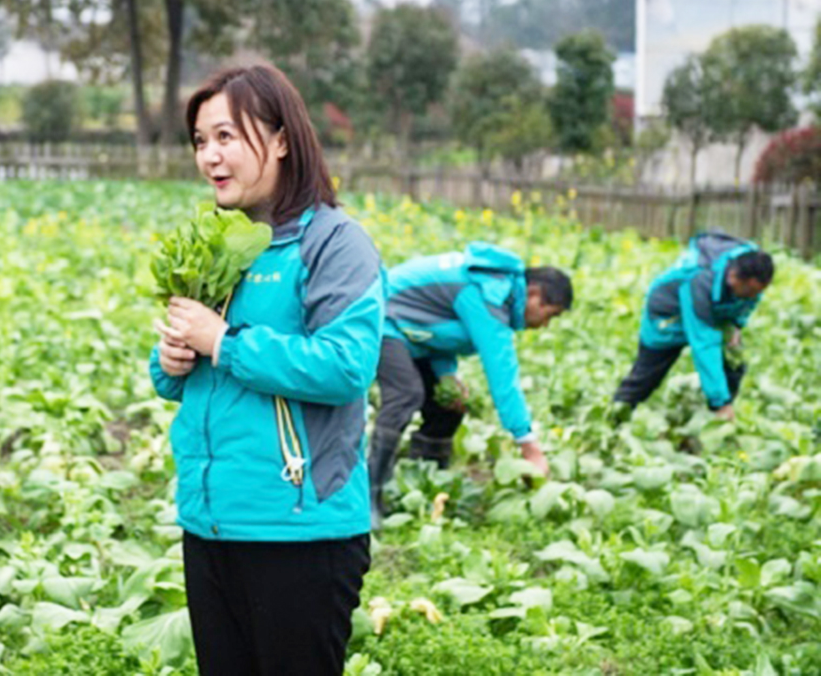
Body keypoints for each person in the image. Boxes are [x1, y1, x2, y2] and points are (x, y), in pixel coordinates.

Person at [149, 64, 385, 676]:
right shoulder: (219, 245)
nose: (210, 156)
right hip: (211, 522)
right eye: (201, 141)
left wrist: (224, 341)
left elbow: (346, 366)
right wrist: (172, 359)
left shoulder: (334, 244)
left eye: (227, 136)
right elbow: (188, 374)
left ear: (281, 139)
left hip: (299, 532)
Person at [368, 243, 573, 528]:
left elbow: (437, 324)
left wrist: (447, 374)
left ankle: (422, 485)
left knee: (449, 405)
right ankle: (369, 492)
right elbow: (503, 377)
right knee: (405, 394)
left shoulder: (495, 290)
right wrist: (529, 446)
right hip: (380, 321)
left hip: (410, 334)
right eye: (550, 314)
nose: (546, 325)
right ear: (535, 295)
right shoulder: (489, 296)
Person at [614, 230, 773, 420]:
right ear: (733, 278)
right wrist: (720, 402)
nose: (754, 296)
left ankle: (717, 425)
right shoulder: (700, 281)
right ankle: (614, 418)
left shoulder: (754, 266)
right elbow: (704, 345)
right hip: (667, 316)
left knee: (733, 364)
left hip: (714, 310)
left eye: (758, 291)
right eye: (750, 290)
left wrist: (737, 324)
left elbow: (750, 301)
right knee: (646, 377)